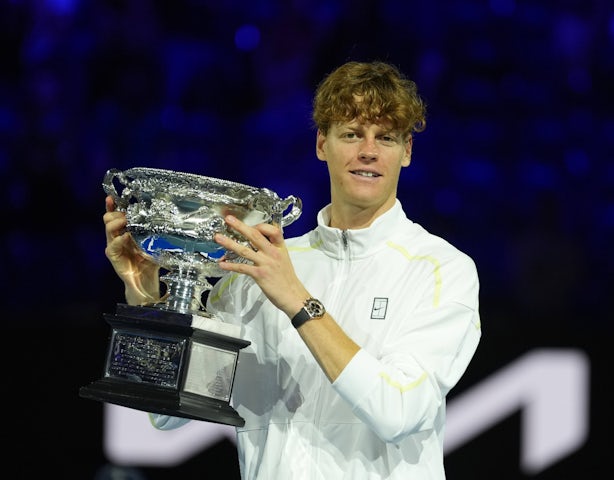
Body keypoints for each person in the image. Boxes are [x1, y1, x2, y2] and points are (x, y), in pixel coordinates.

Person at [104, 60, 481, 479]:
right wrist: (146, 292)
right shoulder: (260, 267)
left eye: (386, 137)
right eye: (351, 134)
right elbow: (168, 414)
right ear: (322, 144)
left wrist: (298, 301)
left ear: (406, 151)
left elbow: (398, 413)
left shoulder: (441, 269)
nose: (368, 151)